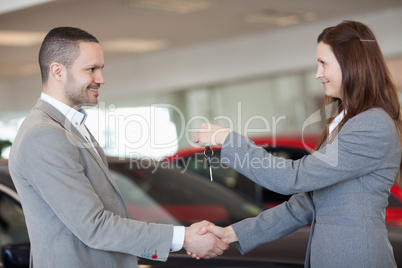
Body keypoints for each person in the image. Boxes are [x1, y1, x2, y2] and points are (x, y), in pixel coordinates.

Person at [8, 27, 227, 267]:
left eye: (101, 69)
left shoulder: (68, 126)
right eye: (91, 69)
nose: (101, 79)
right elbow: (95, 226)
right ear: (58, 71)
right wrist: (183, 237)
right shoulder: (44, 135)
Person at [191, 20, 402, 267]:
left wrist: (228, 140)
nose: (318, 74)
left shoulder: (372, 124)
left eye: (323, 63)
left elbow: (294, 178)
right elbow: (304, 204)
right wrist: (231, 234)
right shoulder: (345, 121)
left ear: (351, 63)